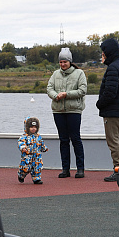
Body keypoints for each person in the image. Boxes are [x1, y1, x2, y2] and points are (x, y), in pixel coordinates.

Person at [47, 48, 87, 178]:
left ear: (70, 61)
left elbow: (82, 90)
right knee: (63, 140)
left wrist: (66, 95)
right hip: (58, 111)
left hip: (74, 110)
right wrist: (55, 96)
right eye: (61, 62)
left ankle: (80, 169)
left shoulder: (79, 73)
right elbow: (49, 88)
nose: (62, 64)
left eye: (65, 61)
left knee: (75, 139)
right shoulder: (55, 74)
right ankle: (65, 169)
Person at [96, 38, 119, 182]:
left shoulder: (113, 68)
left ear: (108, 52)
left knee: (113, 141)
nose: (102, 55)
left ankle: (118, 170)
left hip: (112, 111)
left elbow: (110, 92)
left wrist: (99, 104)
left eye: (103, 53)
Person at [17, 116, 48, 184]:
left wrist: (44, 148)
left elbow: (41, 143)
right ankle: (21, 175)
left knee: (37, 167)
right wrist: (23, 148)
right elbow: (21, 142)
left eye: (35, 127)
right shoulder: (24, 136)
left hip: (36, 156)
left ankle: (36, 178)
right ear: (27, 128)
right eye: (31, 127)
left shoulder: (38, 136)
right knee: (25, 167)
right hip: (27, 156)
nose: (33, 129)